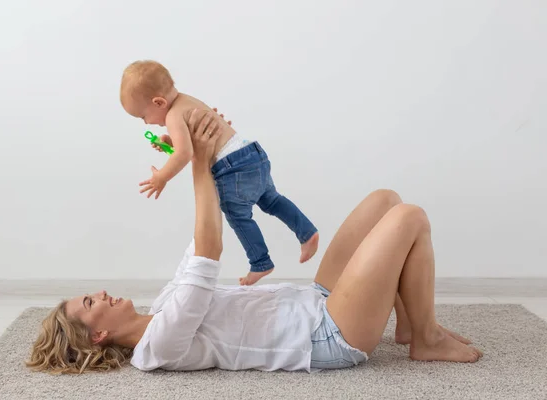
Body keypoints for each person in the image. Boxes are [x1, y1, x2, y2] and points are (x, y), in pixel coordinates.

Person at [26, 109, 482, 375]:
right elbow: (209, 251)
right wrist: (200, 161)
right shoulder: (157, 347)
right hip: (326, 335)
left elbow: (198, 242)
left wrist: (195, 156)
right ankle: (425, 336)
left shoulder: (163, 306)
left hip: (314, 301)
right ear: (99, 333)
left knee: (385, 201)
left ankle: (406, 323)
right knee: (409, 219)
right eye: (91, 301)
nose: (100, 292)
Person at [120, 60, 319, 285]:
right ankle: (307, 232)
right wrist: (170, 142)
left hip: (232, 167)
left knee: (237, 215)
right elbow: (196, 143)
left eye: (142, 116)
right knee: (272, 200)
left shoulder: (173, 116)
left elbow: (185, 154)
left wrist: (161, 177)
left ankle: (260, 262)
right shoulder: (189, 101)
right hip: (252, 153)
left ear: (158, 102)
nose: (146, 123)